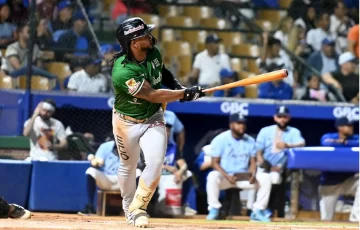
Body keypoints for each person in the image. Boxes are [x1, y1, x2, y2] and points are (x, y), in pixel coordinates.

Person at [111, 17, 205, 228]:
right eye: (145, 34)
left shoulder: (153, 50)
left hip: (153, 117)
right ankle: (128, 206)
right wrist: (183, 94)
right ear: (134, 43)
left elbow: (161, 72)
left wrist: (178, 86)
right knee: (128, 165)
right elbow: (152, 94)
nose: (150, 36)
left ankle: (138, 208)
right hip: (126, 122)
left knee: (155, 163)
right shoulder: (122, 71)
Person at [206, 113, 272, 222]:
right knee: (212, 176)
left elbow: (253, 162)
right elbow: (214, 163)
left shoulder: (250, 140)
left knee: (265, 178)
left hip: (243, 177)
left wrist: (252, 174)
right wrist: (227, 176)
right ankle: (214, 208)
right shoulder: (220, 139)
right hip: (226, 177)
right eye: (238, 123)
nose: (242, 126)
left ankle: (257, 211)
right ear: (231, 125)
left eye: (243, 123)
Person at [256, 106, 305, 217]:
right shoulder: (265, 131)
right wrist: (266, 165)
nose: (282, 119)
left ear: (289, 118)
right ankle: (260, 210)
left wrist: (287, 145)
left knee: (275, 178)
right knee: (266, 178)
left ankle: (270, 211)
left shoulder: (293, 132)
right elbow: (258, 152)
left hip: (281, 168)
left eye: (284, 117)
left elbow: (302, 143)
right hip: (265, 166)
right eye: (279, 117)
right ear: (275, 118)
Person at [319, 117, 359, 222]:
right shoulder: (328, 136)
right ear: (340, 127)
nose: (351, 128)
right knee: (326, 219)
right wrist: (341, 142)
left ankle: (356, 219)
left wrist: (345, 143)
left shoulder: (355, 138)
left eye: (352, 125)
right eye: (348, 126)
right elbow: (325, 142)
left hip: (348, 182)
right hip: (330, 184)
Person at [78, 139, 120, 215]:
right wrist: (95, 164)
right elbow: (96, 163)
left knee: (138, 172)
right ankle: (90, 206)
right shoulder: (105, 146)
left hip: (124, 180)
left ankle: (138, 208)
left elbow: (137, 165)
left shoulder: (132, 146)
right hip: (107, 178)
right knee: (90, 170)